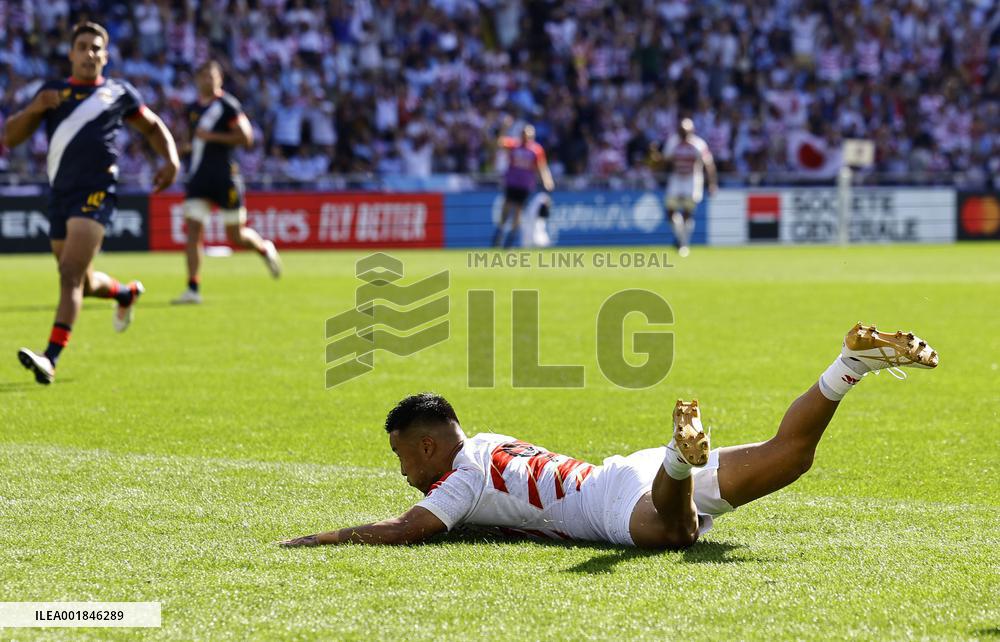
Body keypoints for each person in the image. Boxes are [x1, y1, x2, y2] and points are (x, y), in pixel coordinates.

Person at [280, 322, 938, 548]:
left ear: (428, 445)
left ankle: (681, 460)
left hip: (612, 505)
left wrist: (319, 537)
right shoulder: (486, 445)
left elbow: (407, 530)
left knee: (675, 535)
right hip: (622, 472)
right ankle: (846, 365)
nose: (402, 472)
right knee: (789, 458)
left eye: (401, 455)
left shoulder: (462, 477)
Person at [4, 22, 180, 385]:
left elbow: (151, 126)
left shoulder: (119, 93)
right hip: (60, 194)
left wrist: (171, 159)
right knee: (79, 278)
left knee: (68, 274)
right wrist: (35, 108)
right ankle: (124, 292)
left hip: (98, 191)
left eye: (97, 48)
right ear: (71, 54)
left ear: (106, 55)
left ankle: (50, 358)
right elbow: (10, 136)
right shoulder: (52, 92)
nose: (90, 54)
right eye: (83, 47)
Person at [172, 61, 281, 305]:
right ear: (197, 80)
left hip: (225, 178)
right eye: (203, 76)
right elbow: (192, 143)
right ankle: (192, 288)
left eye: (211, 76)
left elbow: (246, 137)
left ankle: (264, 248)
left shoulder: (228, 105)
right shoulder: (192, 110)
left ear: (219, 79)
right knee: (193, 233)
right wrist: (179, 152)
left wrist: (211, 137)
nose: (207, 81)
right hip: (199, 177)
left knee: (236, 236)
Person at [649, 118, 717, 257]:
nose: (683, 134)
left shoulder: (698, 144)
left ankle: (683, 243)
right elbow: (665, 160)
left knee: (687, 211)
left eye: (685, 132)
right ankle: (681, 238)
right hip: (677, 178)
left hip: (692, 178)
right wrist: (656, 157)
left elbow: (708, 164)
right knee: (670, 210)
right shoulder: (673, 142)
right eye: (681, 131)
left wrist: (712, 183)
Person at [492, 120, 554, 249]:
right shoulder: (514, 145)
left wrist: (547, 180)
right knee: (506, 209)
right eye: (524, 133)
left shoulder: (536, 150)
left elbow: (542, 167)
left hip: (525, 185)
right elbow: (499, 142)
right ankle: (499, 233)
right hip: (512, 182)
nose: (526, 136)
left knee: (518, 213)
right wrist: (504, 128)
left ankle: (509, 241)